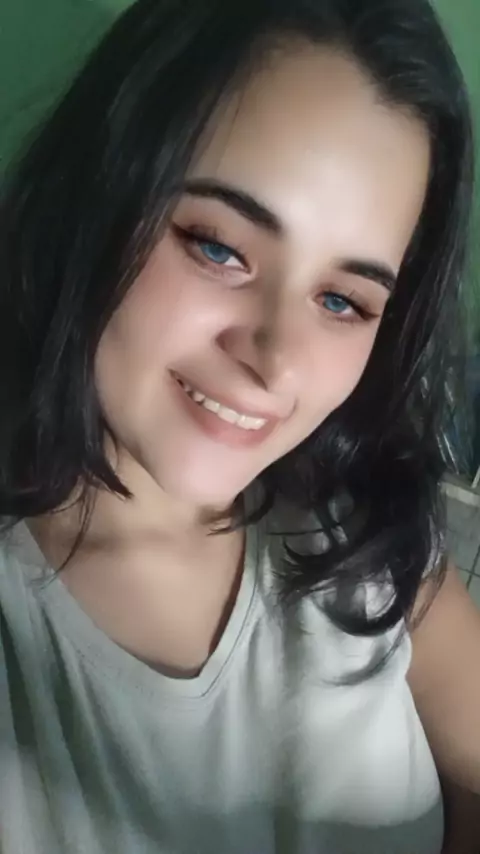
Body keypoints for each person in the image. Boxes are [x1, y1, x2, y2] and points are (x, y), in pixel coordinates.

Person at [0, 0, 479, 851]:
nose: (275, 361)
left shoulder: (368, 536)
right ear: (98, 198)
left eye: (343, 300)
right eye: (218, 247)